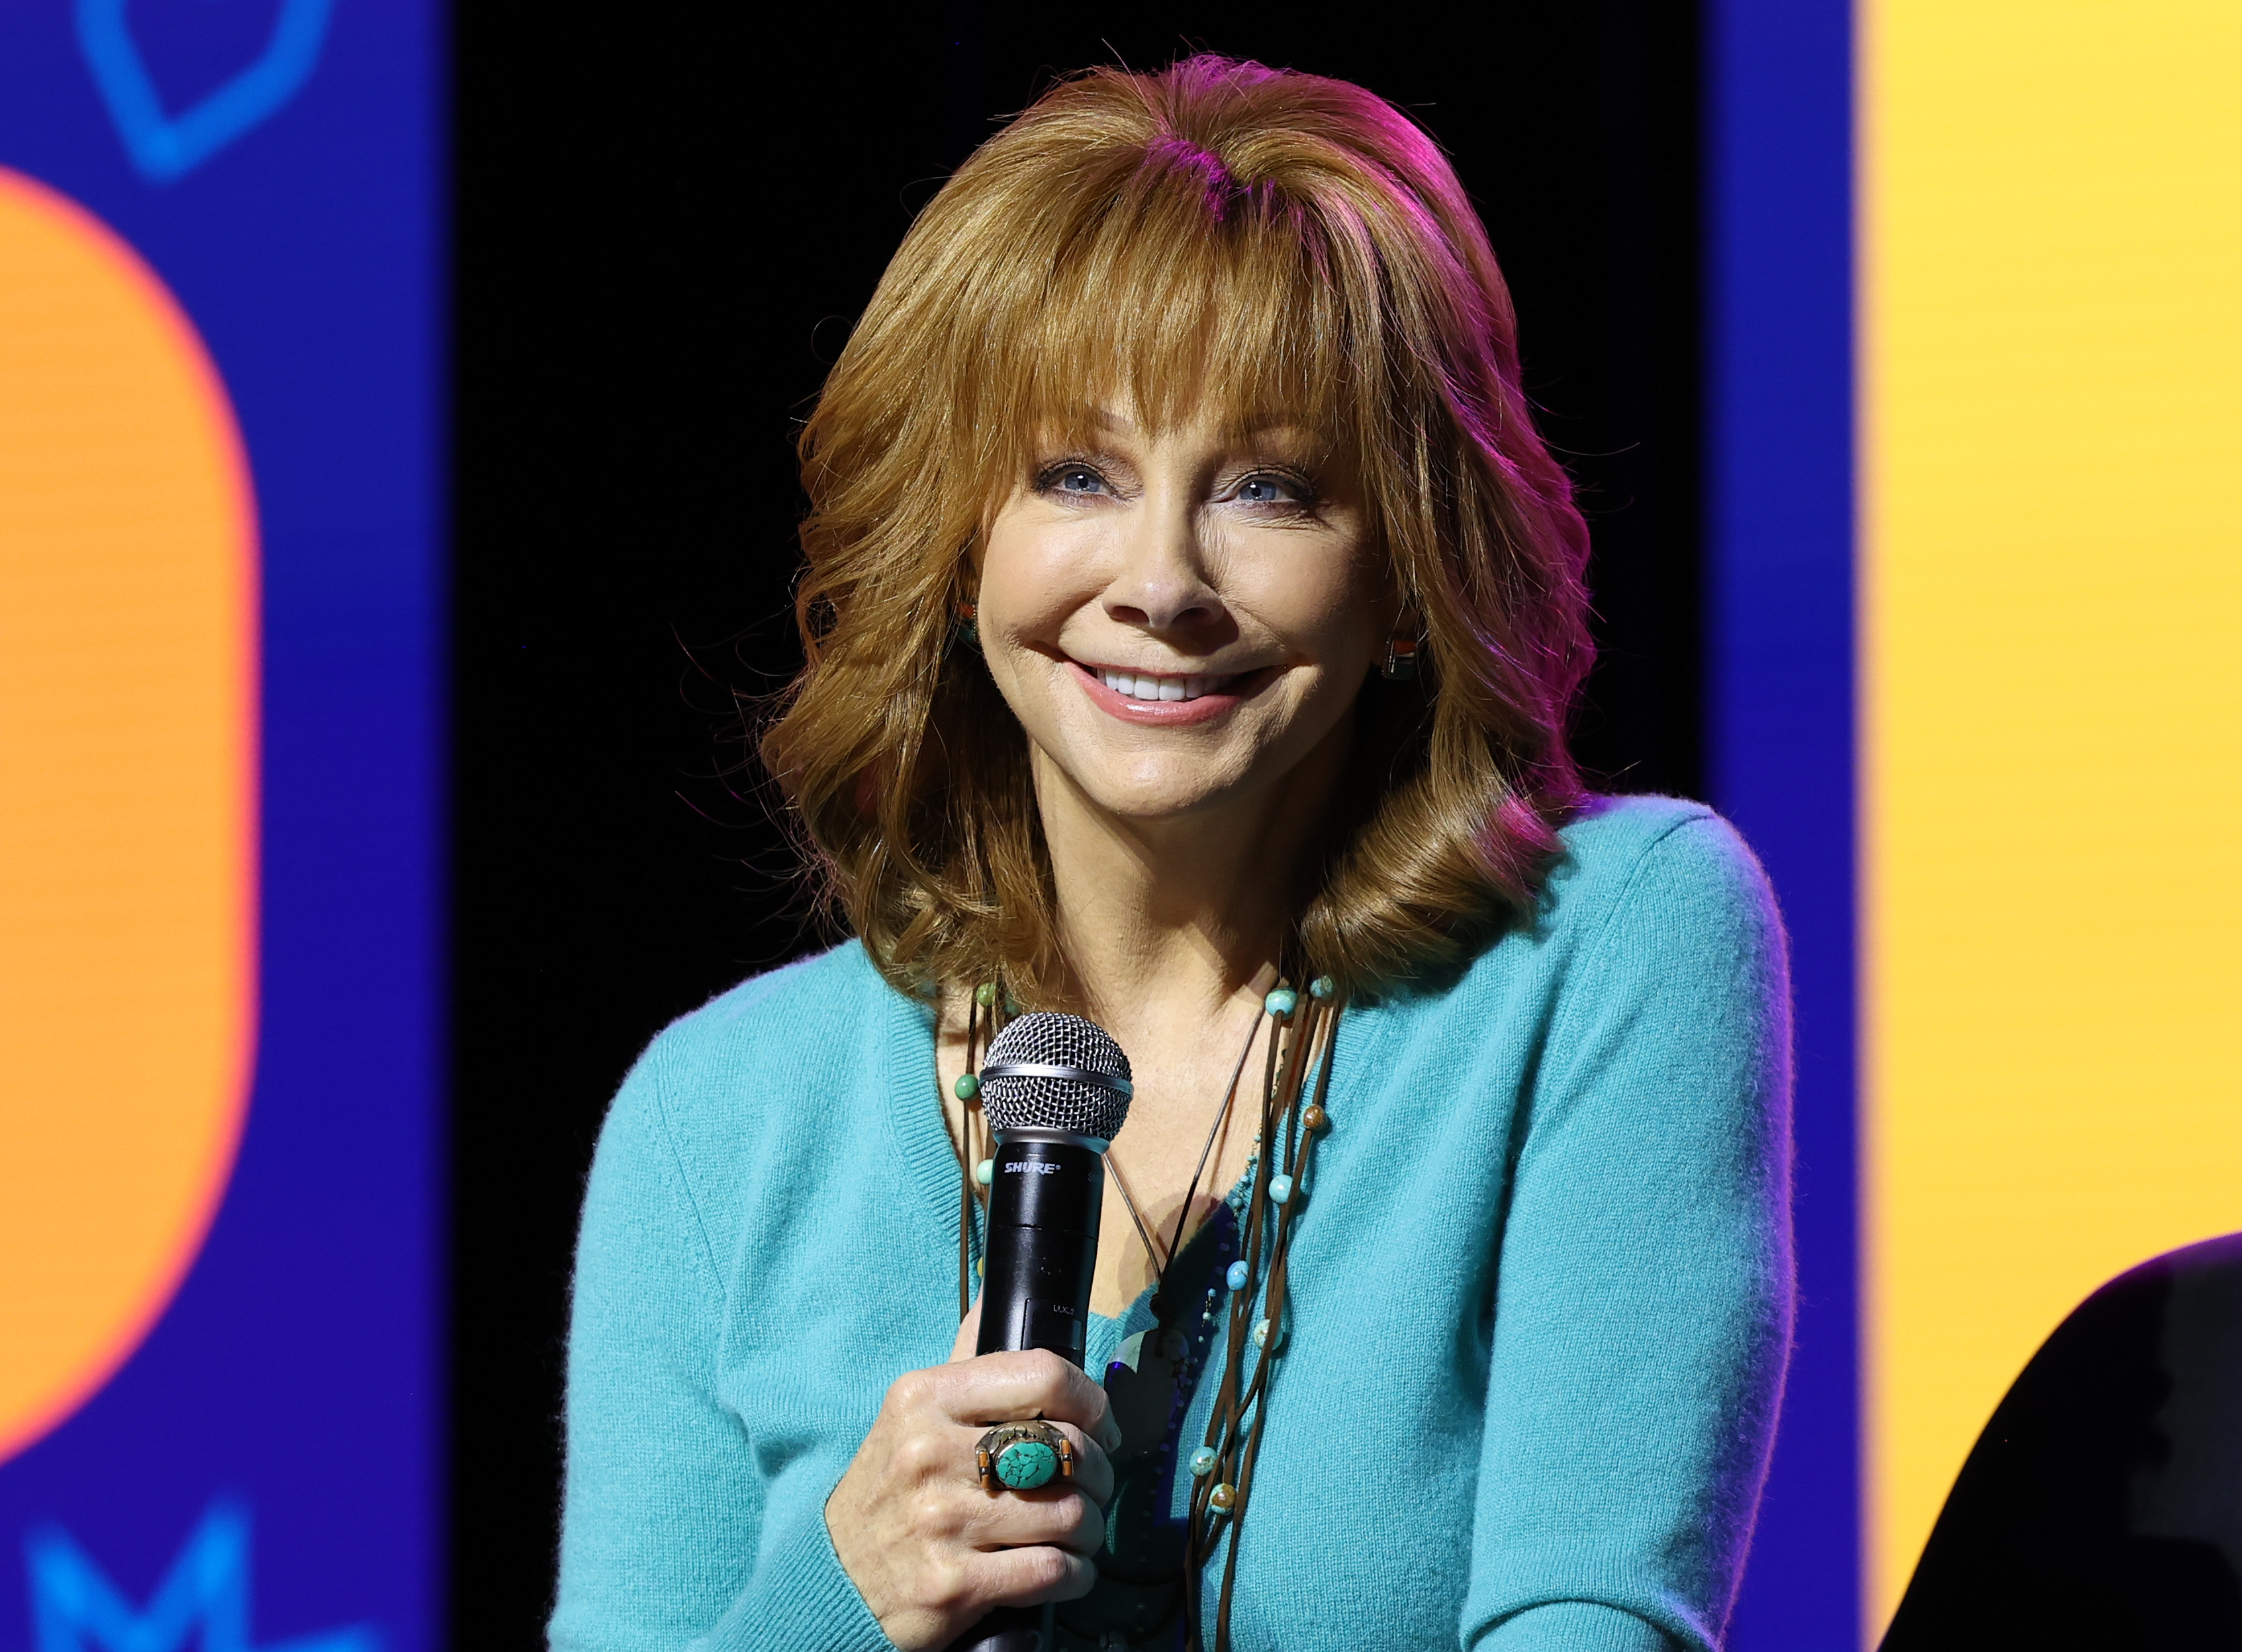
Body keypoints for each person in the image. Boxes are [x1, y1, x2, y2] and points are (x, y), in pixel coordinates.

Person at [550, 54, 1791, 1652]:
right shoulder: (714, 1122)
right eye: (1078, 474)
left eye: (1270, 490)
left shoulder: (1611, 948)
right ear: (957, 540)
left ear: (1409, 578)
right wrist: (845, 1594)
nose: (1162, 581)